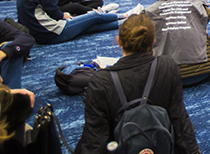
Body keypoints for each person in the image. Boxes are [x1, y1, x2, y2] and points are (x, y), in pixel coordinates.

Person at [74, 14, 200, 154]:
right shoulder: (167, 67)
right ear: (153, 41)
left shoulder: (101, 81)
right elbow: (180, 121)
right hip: (161, 143)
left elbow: (95, 139)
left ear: (119, 42)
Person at [145, 0, 210, 86]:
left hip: (166, 75)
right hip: (205, 70)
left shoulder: (149, 12)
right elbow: (206, 17)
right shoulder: (199, 5)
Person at [17, 0, 139, 45]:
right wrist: (66, 16)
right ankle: (125, 15)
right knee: (93, 16)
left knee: (88, 27)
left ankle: (124, 22)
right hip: (53, 31)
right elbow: (56, 13)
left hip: (40, 35)